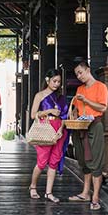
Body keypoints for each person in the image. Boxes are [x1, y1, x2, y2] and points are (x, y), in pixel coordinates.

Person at [69, 60, 108, 211]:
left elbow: (103, 108)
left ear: (88, 70)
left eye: (80, 72)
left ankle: (95, 197)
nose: (79, 76)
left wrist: (87, 100)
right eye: (77, 74)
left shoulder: (101, 87)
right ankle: (85, 193)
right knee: (84, 162)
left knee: (96, 162)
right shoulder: (79, 89)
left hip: (95, 126)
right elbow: (77, 109)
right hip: (80, 127)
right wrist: (73, 114)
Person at [28, 69, 69, 203]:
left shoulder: (61, 97)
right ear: (47, 80)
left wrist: (61, 130)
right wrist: (49, 111)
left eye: (59, 81)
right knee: (42, 161)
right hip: (45, 128)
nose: (57, 84)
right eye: (54, 81)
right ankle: (33, 186)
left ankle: (48, 192)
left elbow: (64, 115)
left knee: (54, 161)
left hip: (59, 131)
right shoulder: (39, 95)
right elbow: (33, 115)